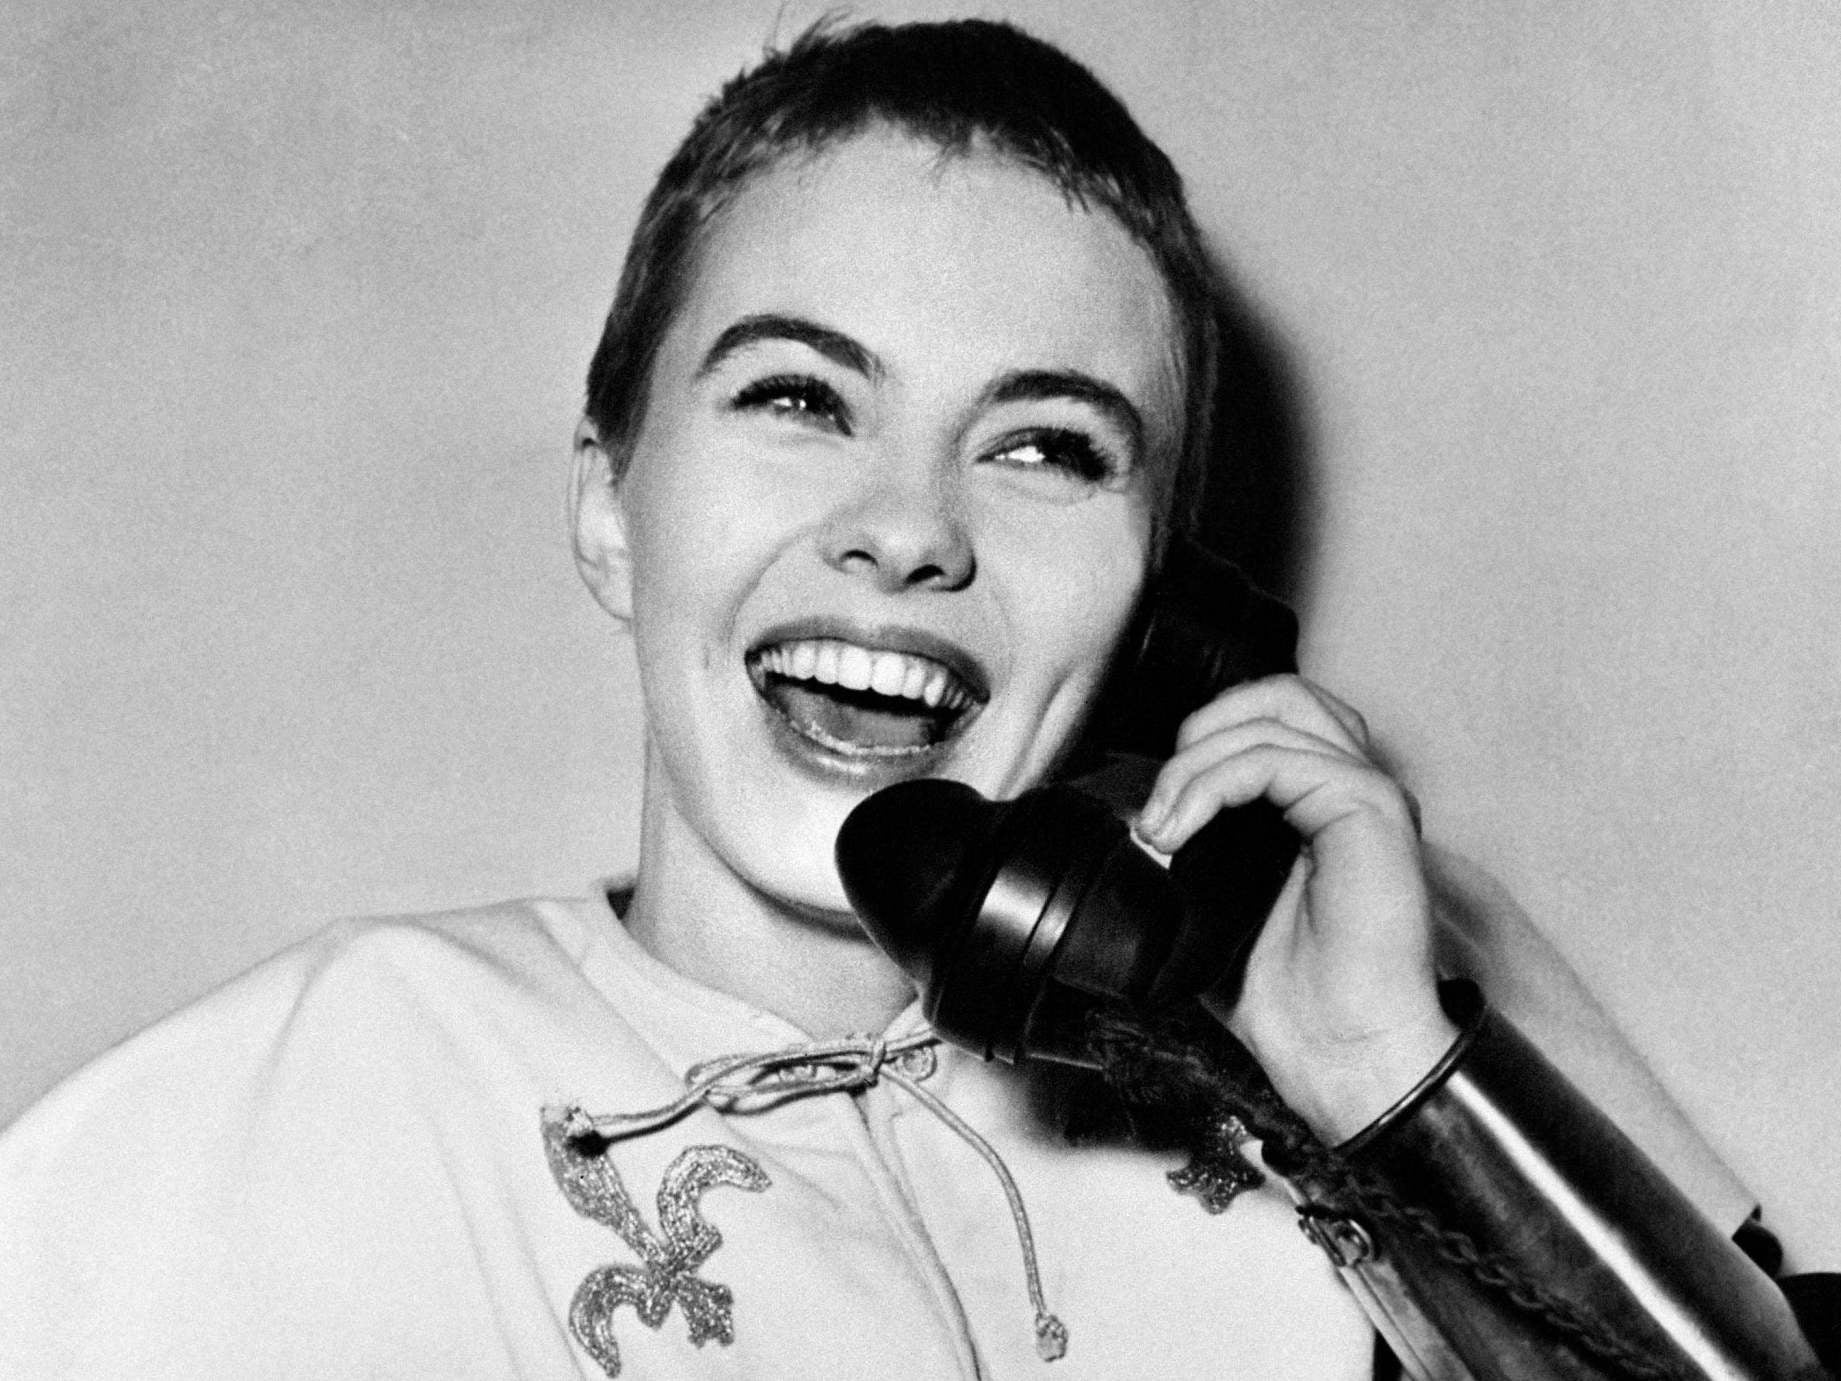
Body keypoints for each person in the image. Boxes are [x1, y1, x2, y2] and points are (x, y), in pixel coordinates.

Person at [0, 18, 1828, 1380]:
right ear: (608, 506)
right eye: (799, 398)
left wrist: (1390, 1086)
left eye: (1044, 444)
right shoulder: (295, 1106)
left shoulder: (1310, 1146)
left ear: (1159, 607)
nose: (906, 533)